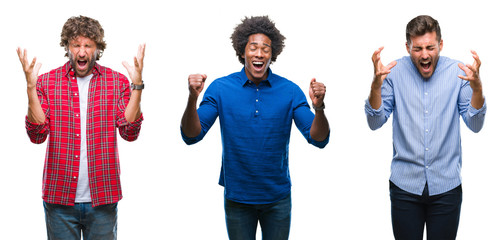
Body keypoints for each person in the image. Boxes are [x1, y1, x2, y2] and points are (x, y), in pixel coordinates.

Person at [181, 16, 330, 240]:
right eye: (253, 48)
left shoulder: (289, 90)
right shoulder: (221, 88)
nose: (259, 54)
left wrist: (319, 108)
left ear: (272, 54)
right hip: (238, 198)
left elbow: (318, 138)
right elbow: (192, 135)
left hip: (277, 198)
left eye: (265, 49)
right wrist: (192, 98)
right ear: (242, 52)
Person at [17, 15, 145, 240]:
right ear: (67, 47)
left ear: (98, 49)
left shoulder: (117, 82)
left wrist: (137, 87)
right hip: (59, 198)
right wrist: (30, 88)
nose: (82, 52)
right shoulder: (47, 82)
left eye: (88, 45)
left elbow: (129, 132)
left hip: (103, 196)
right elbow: (37, 135)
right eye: (76, 45)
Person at [365, 15, 486, 240]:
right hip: (405, 187)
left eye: (430, 47)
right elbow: (375, 122)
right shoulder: (393, 73)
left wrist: (477, 90)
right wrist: (375, 87)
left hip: (446, 188)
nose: (425, 54)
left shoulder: (458, 73)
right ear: (408, 47)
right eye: (417, 48)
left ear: (440, 44)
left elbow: (475, 124)